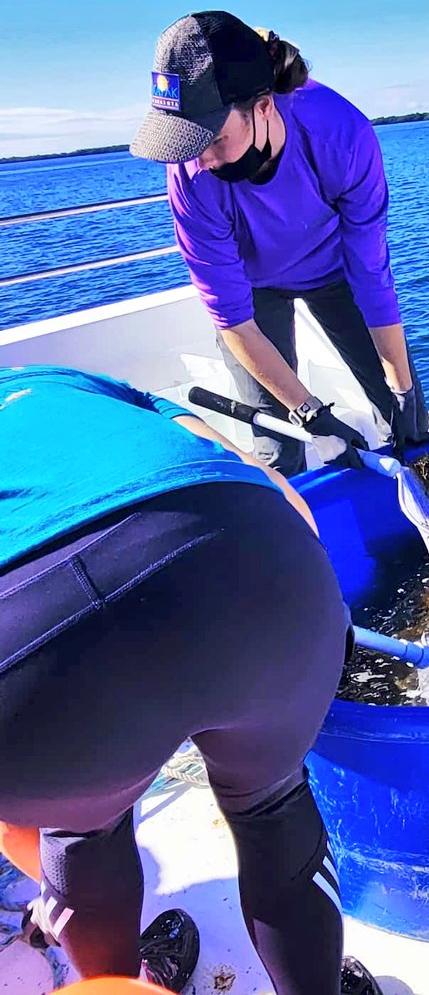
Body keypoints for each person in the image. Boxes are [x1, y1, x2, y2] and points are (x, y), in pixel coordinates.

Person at [0, 365, 382, 995]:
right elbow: (281, 495)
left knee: (80, 839)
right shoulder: (60, 380)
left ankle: (123, 983)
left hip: (28, 648)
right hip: (242, 550)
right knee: (272, 805)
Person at [130, 10, 429, 476]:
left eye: (213, 138)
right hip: (253, 292)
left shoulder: (340, 134)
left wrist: (402, 388)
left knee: (408, 421)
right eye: (186, 142)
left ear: (263, 107)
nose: (201, 160)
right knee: (279, 445)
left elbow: (371, 274)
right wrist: (309, 411)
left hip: (338, 273)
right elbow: (233, 317)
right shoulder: (190, 176)